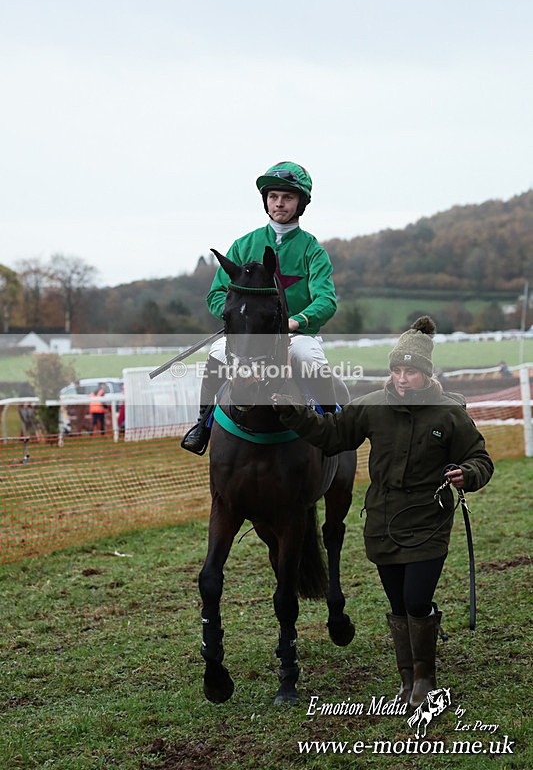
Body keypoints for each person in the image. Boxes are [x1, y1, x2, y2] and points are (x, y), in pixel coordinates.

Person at [272, 316, 494, 708]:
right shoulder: (371, 407)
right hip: (382, 522)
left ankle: (425, 679)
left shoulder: (449, 413)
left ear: (426, 374)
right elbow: (329, 434)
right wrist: (291, 411)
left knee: (415, 600)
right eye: (397, 369)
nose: (402, 378)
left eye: (411, 371)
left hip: (428, 519)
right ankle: (407, 680)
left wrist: (469, 473)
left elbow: (480, 458)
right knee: (396, 605)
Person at [181, 160, 339, 455]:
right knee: (216, 353)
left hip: (295, 335)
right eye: (273, 197)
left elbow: (326, 300)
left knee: (307, 355)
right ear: (266, 201)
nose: (279, 204)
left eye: (287, 197)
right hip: (248, 337)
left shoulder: (312, 250)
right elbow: (216, 294)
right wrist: (239, 322)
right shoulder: (243, 245)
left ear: (300, 203)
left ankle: (333, 425)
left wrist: (297, 321)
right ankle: (202, 423)